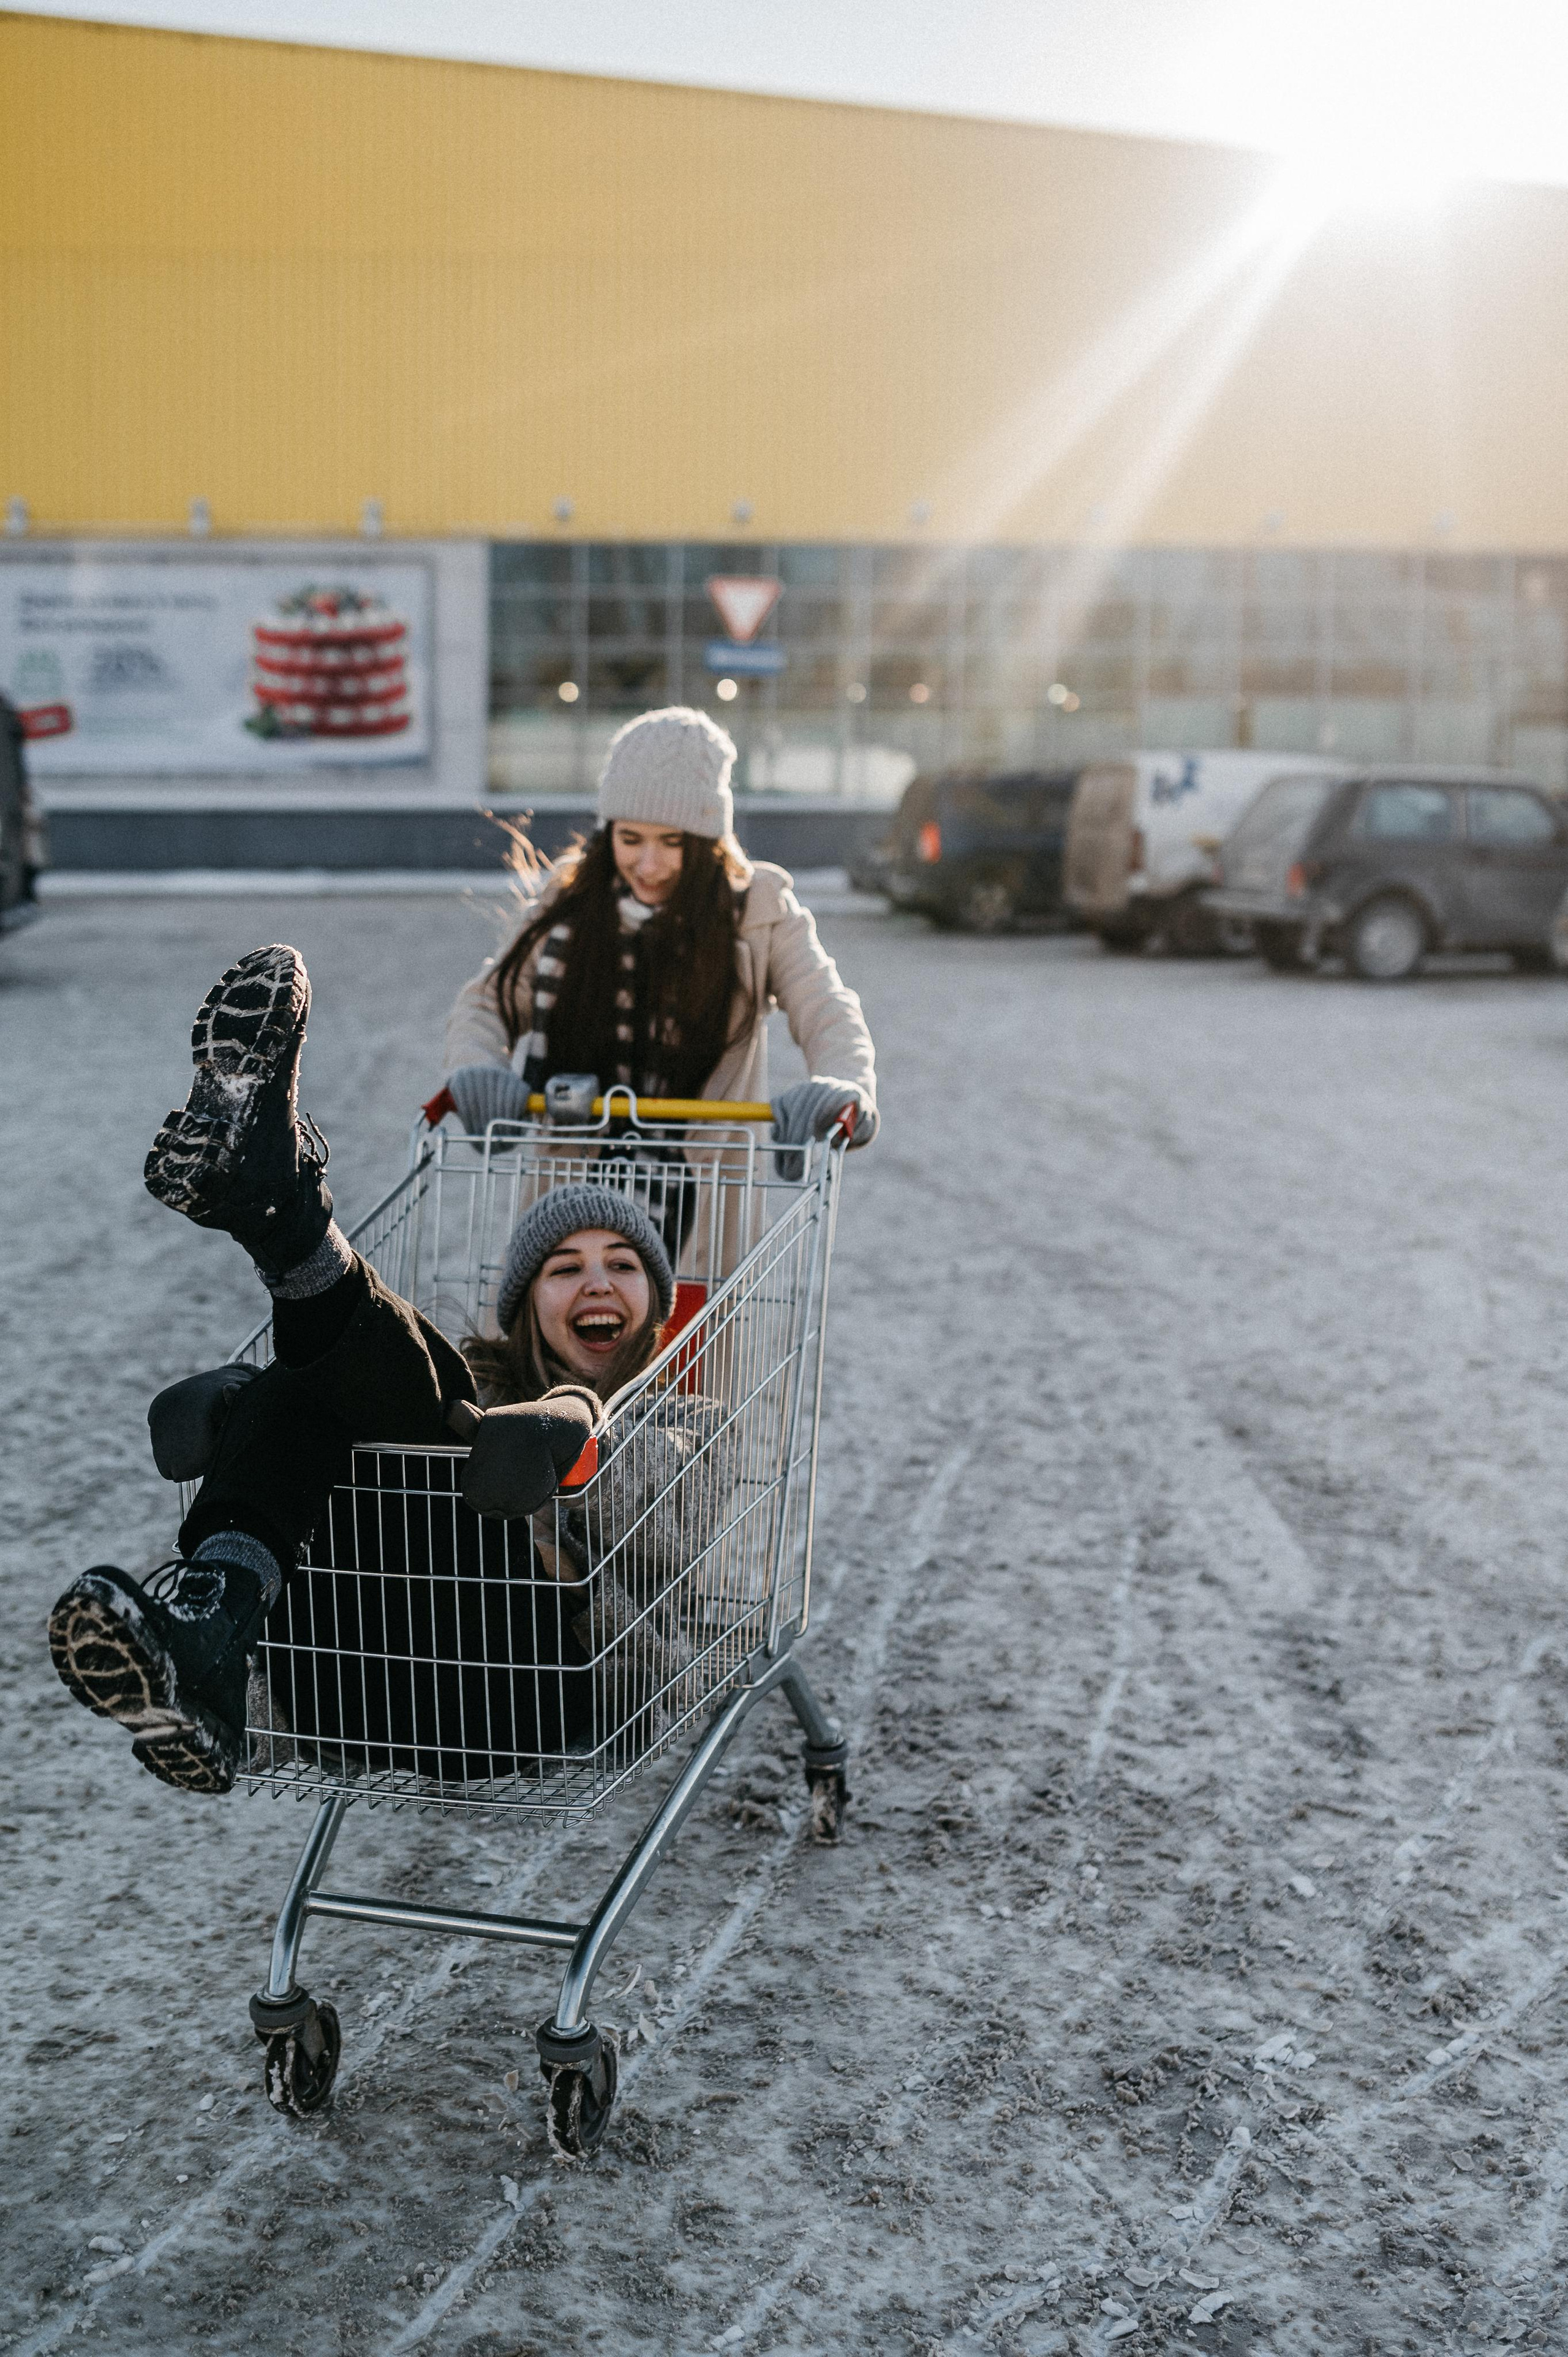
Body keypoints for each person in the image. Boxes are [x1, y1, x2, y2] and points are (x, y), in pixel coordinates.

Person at [47, 946, 722, 1796]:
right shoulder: (457, 1374)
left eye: (622, 1263)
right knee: (331, 1383)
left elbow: (668, 1527)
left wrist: (576, 1428)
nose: (595, 1280)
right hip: (353, 1684)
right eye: (563, 1266)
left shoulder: (693, 1419)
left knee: (371, 1382)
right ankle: (212, 1637)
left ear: (655, 1304)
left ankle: (282, 1216)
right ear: (525, 1304)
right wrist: (248, 1412)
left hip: (533, 1691)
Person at [442, 705, 879, 1161]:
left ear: (708, 841)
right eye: (630, 839)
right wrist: (479, 1065)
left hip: (698, 1196)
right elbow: (488, 1002)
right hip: (574, 1199)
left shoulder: (757, 912)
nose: (648, 866)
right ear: (608, 831)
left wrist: (845, 1083)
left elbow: (827, 1008)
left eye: (673, 843)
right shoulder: (568, 905)